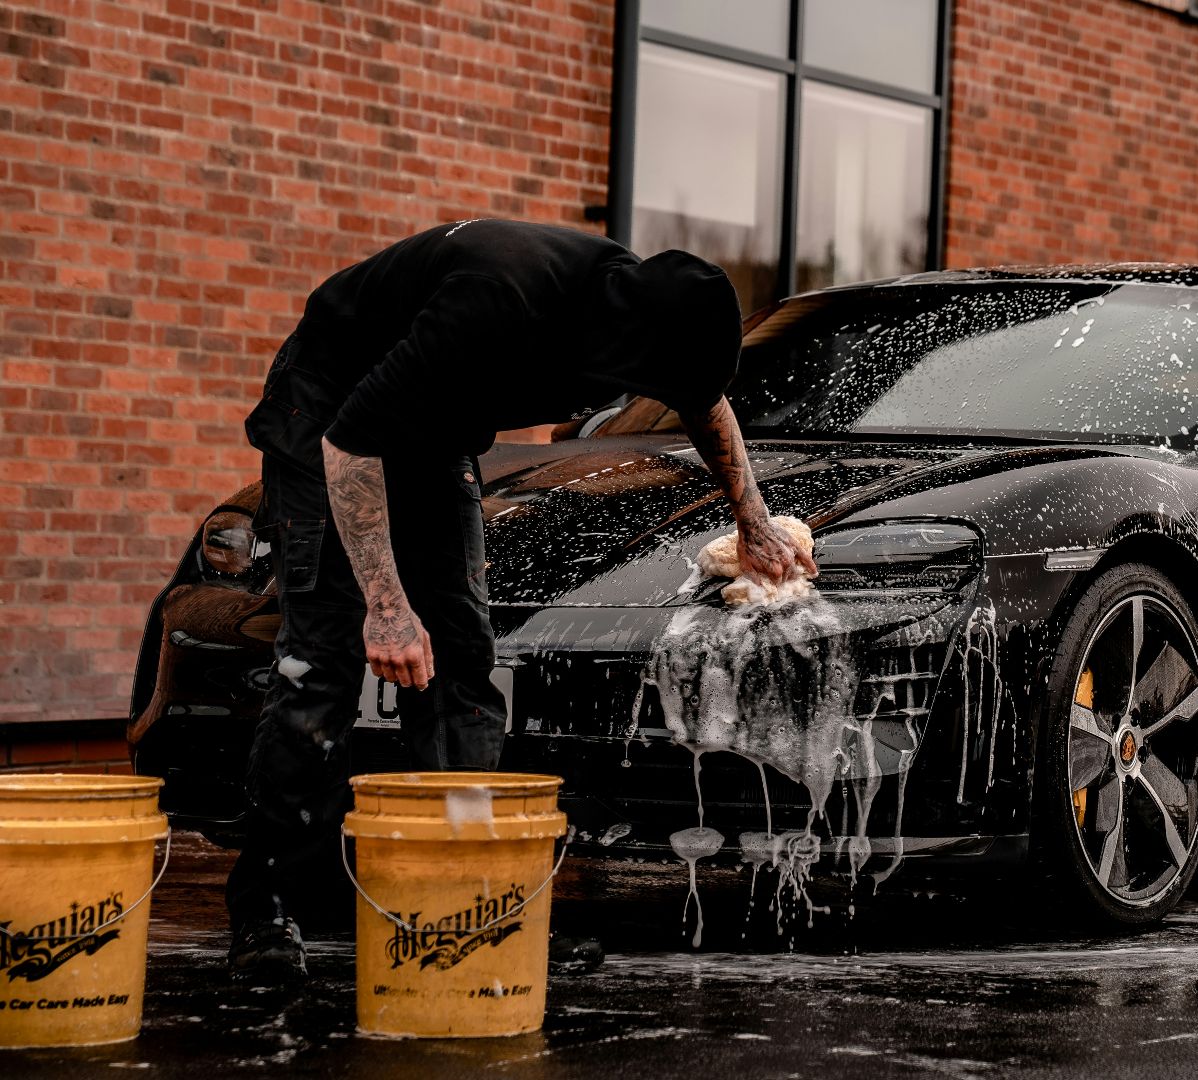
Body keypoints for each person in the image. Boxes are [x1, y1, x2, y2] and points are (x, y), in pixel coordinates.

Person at [227, 218, 815, 983]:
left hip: (431, 428)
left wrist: (755, 521)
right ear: (624, 342)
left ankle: (466, 896)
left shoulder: (655, 306)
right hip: (330, 414)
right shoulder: (498, 301)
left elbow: (706, 406)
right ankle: (268, 902)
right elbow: (352, 444)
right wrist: (387, 604)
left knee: (463, 662)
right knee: (325, 660)